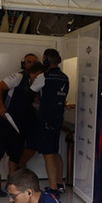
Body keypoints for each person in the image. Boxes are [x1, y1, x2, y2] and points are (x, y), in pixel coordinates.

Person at [0, 54, 43, 197]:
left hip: (17, 123)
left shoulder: (37, 85)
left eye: (33, 62)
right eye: (28, 62)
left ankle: (12, 184)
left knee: (15, 153)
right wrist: (1, 108)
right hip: (1, 119)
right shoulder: (18, 77)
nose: (31, 64)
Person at [31, 48, 69, 194]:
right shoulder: (65, 77)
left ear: (46, 60)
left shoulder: (44, 76)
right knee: (55, 151)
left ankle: (53, 188)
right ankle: (60, 183)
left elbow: (32, 90)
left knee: (48, 153)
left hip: (46, 118)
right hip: (58, 117)